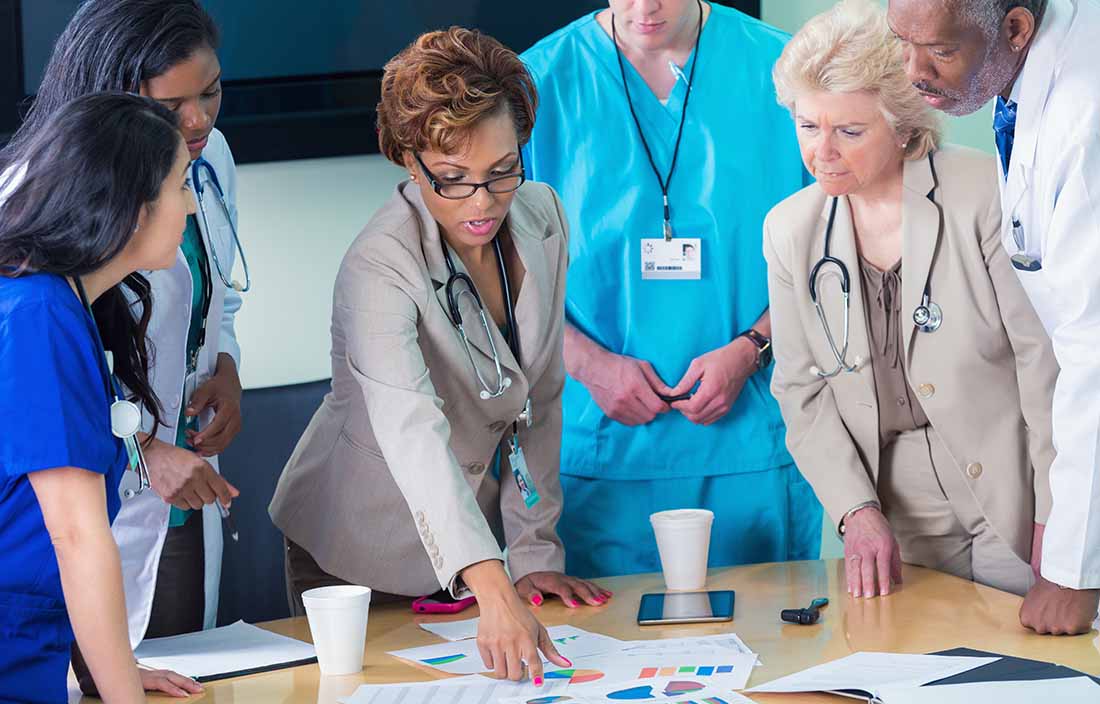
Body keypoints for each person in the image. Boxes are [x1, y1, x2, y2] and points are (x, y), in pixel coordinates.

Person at [269, 28, 610, 685]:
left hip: (469, 549)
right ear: (408, 158)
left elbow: (538, 399)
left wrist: (533, 551)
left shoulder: (543, 218)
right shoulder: (380, 265)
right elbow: (412, 432)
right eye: (452, 180)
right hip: (357, 551)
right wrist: (494, 585)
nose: (481, 203)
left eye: (501, 171)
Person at [519, 0, 823, 579]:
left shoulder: (786, 71)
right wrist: (587, 363)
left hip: (751, 443)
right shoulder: (537, 85)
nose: (645, 8)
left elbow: (835, 246)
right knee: (601, 654)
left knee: (769, 649)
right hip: (599, 451)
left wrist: (751, 348)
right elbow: (493, 270)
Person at [765, 0, 1057, 599]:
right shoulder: (790, 230)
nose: (823, 151)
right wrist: (855, 510)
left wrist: (1057, 513)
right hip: (893, 502)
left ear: (902, 124)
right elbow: (802, 390)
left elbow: (1041, 363)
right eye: (807, 126)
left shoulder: (981, 192)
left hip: (1009, 480)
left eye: (849, 131)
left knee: (1029, 669)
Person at [1, 0, 247, 665]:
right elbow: (31, 387)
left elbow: (212, 302)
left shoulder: (208, 157)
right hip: (83, 503)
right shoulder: (28, 202)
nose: (198, 121)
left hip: (184, 479)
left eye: (211, 92)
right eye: (172, 107)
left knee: (186, 666)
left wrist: (226, 367)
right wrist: (140, 448)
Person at [887, 0, 1100, 635]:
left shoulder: (1084, 119)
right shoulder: (1036, 73)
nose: (913, 72)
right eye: (902, 43)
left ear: (1015, 28)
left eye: (940, 52)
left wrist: (1071, 571)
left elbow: (1095, 353)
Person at [0, 92, 201, 702]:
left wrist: (105, 669)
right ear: (134, 210)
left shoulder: (64, 303)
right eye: (181, 186)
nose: (191, 205)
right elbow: (75, 537)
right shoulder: (37, 316)